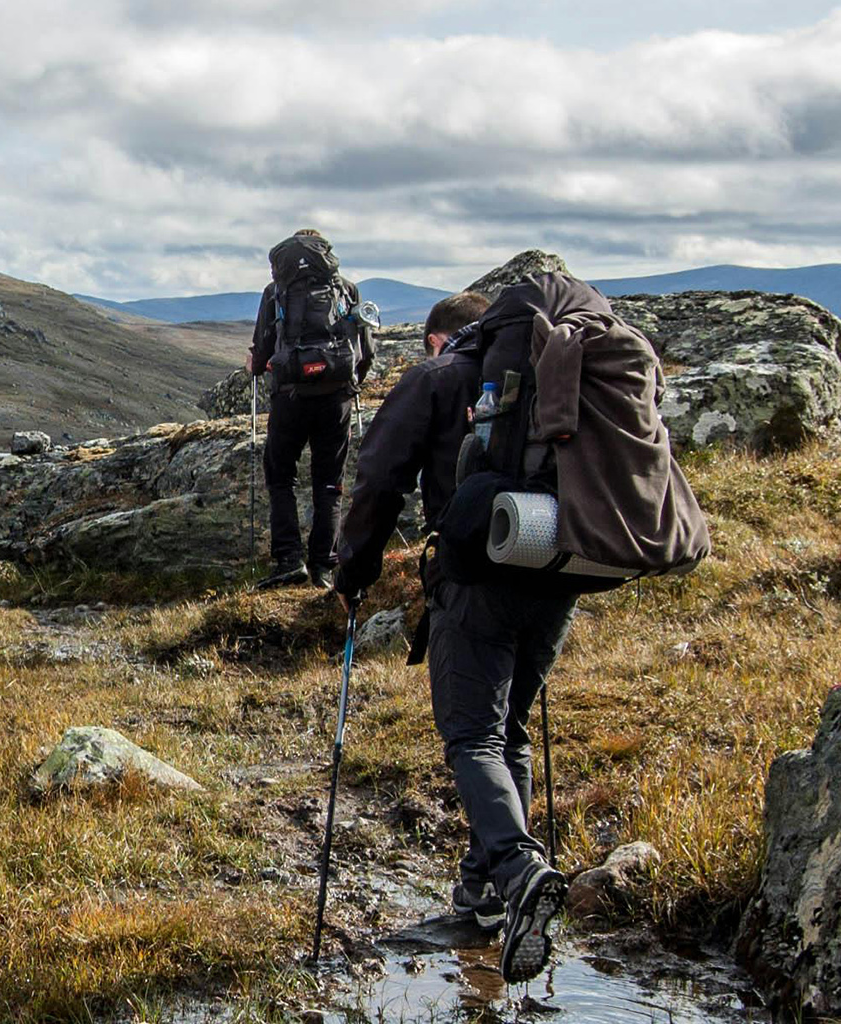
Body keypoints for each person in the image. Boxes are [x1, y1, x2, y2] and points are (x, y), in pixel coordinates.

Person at [327, 287, 568, 982]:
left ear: (444, 339)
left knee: (473, 735)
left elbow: (377, 479)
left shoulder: (438, 376)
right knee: (508, 729)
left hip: (478, 574)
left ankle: (519, 874)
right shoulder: (555, 373)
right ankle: (485, 893)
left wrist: (353, 571)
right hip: (557, 563)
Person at [246, 230, 374, 589]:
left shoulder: (275, 292)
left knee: (281, 474)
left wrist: (254, 366)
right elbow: (365, 350)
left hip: (290, 398)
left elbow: (262, 351)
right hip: (336, 398)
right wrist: (353, 384)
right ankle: (323, 568)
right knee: (329, 482)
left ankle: (288, 560)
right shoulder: (346, 289)